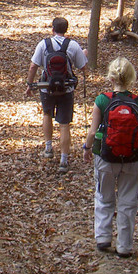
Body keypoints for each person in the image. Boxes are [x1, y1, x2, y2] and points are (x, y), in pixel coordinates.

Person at [82, 57, 138, 257]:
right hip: (132, 158)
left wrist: (87, 148)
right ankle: (124, 246)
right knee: (128, 202)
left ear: (111, 77)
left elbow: (93, 133)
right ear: (131, 78)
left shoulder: (102, 100)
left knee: (104, 196)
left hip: (106, 157)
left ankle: (103, 238)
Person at [25, 17, 88, 174]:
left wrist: (29, 84)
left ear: (52, 29)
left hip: (47, 88)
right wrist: (84, 54)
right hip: (66, 90)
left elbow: (33, 65)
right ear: (66, 29)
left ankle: (48, 148)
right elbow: (84, 68)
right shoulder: (72, 45)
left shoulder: (44, 44)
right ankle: (64, 161)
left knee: (47, 114)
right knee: (64, 124)